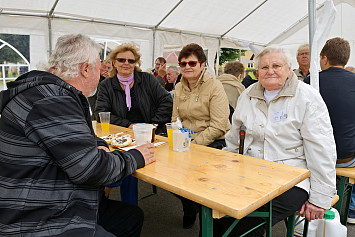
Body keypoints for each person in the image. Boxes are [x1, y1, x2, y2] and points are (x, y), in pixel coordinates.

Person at [0, 34, 156, 237]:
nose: (101, 74)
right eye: (99, 67)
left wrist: (98, 144)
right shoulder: (52, 100)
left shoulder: (49, 93)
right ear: (85, 69)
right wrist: (137, 156)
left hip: (45, 196)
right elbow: (90, 169)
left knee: (131, 216)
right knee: (126, 217)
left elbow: (78, 137)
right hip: (36, 217)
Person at [219, 45, 337, 236]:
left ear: (289, 69)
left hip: (291, 179)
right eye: (264, 67)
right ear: (257, 72)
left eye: (276, 65)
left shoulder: (307, 97)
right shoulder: (247, 94)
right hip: (249, 174)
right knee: (217, 214)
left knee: (242, 227)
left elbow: (322, 148)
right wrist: (225, 171)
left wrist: (320, 198)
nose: (270, 71)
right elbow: (233, 139)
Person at [95, 43, 172, 205]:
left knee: (128, 163)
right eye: (121, 59)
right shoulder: (106, 86)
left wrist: (153, 124)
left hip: (148, 135)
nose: (126, 63)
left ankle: (125, 205)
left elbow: (166, 101)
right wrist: (129, 125)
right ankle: (125, 206)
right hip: (120, 136)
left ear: (135, 63)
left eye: (131, 61)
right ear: (114, 63)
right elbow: (101, 112)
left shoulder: (147, 80)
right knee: (127, 162)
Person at [171, 43, 231, 229]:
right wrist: (177, 138)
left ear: (203, 64)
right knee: (169, 176)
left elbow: (219, 125)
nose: (187, 67)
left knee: (200, 184)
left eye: (192, 63)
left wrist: (194, 143)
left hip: (213, 142)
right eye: (183, 64)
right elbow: (175, 119)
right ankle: (190, 206)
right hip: (187, 141)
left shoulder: (215, 86)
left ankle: (205, 218)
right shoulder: (179, 86)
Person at [309, 37, 355, 224]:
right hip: (347, 157)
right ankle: (352, 209)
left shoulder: (311, 81)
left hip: (315, 157)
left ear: (324, 59)